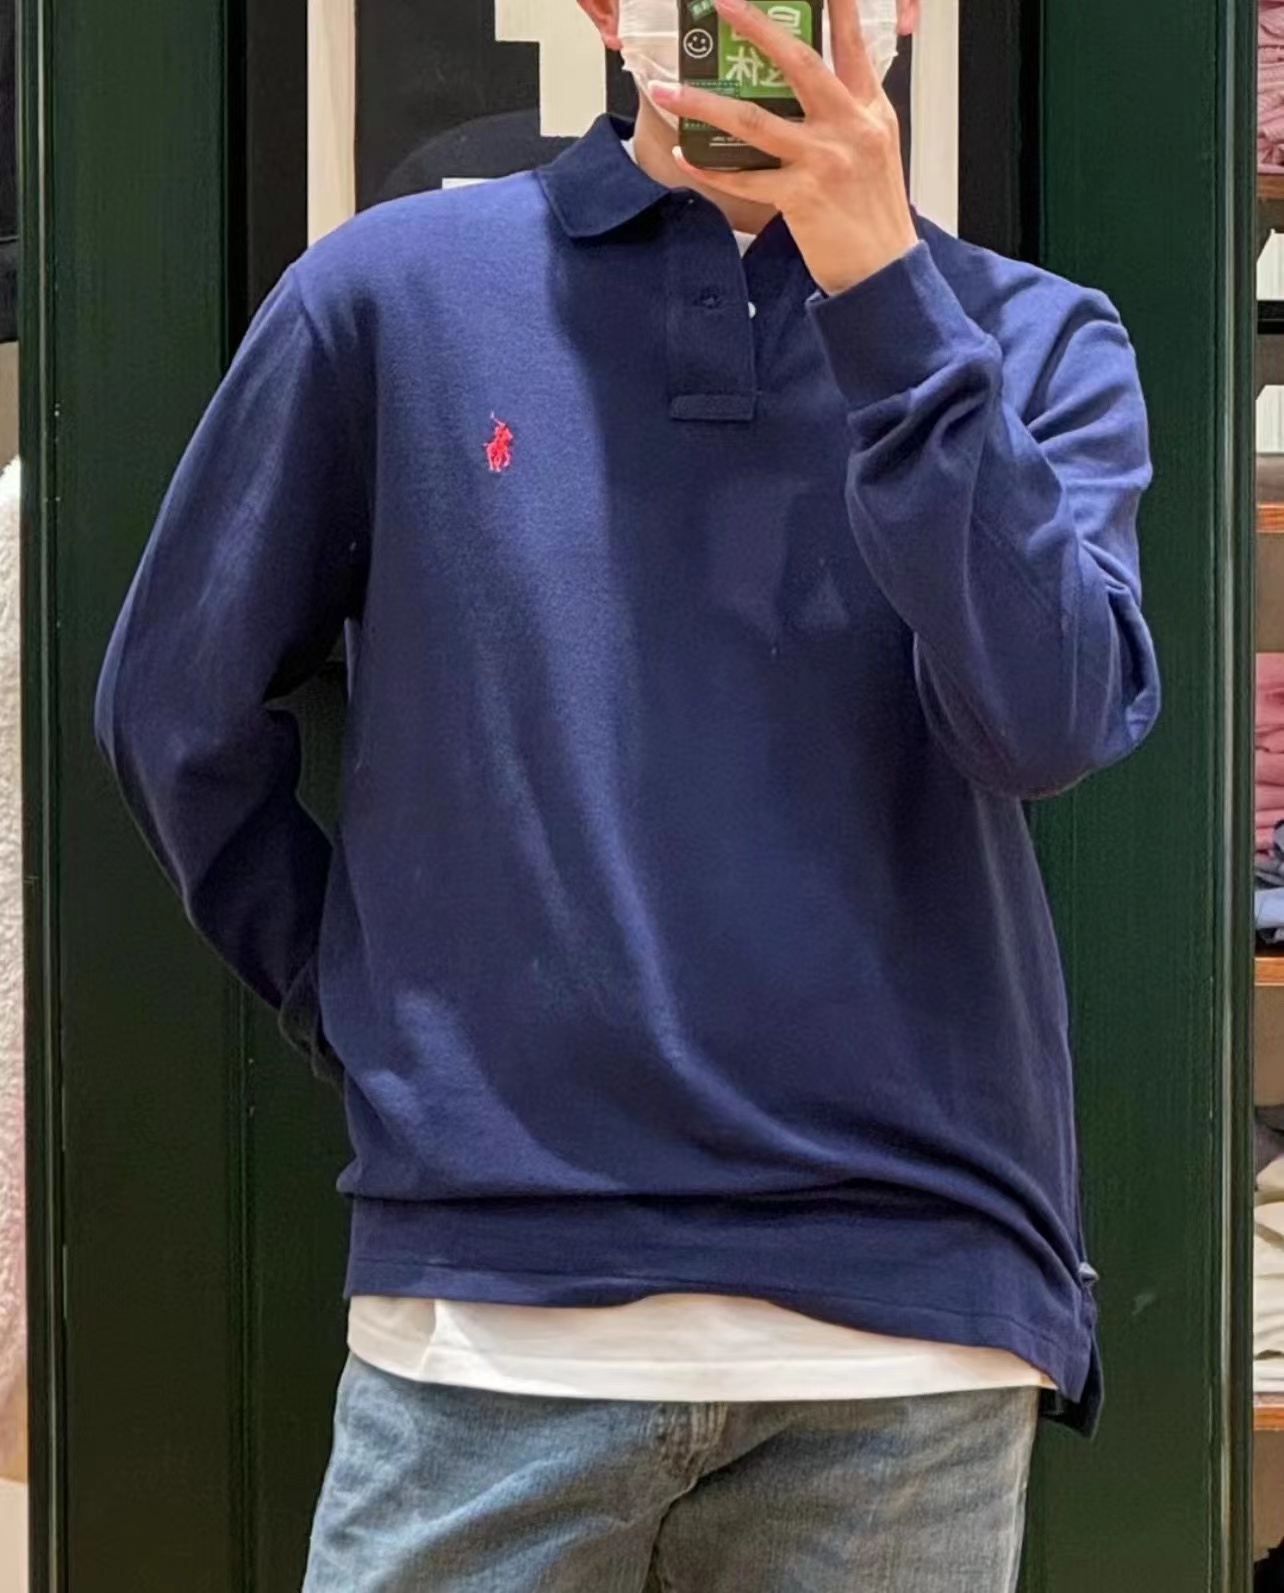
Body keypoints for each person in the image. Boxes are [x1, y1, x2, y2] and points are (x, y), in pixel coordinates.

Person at [94, 0, 1160, 1587]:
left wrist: (887, 303)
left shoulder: (1037, 338)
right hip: (492, 1310)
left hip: (908, 1326)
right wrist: (368, 1010)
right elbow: (173, 708)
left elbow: (1046, 722)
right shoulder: (390, 293)